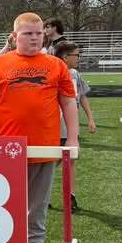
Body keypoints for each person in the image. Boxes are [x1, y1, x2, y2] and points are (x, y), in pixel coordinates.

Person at [0, 12, 79, 243]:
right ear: (15, 37)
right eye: (28, 34)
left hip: (44, 146)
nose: (35, 38)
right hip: (6, 149)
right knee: (8, 199)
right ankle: (7, 242)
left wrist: (72, 138)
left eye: (38, 33)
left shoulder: (56, 65)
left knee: (39, 200)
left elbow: (69, 103)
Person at [53, 41, 96, 212]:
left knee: (70, 161)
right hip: (53, 125)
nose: (79, 58)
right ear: (65, 57)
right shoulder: (51, 72)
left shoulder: (75, 74)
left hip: (70, 126)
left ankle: (70, 197)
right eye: (76, 55)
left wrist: (90, 118)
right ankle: (42, 196)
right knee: (48, 162)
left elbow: (82, 97)